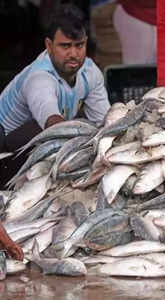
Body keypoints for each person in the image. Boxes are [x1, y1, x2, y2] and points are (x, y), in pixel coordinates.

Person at [0, 4, 110, 188]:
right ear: (49, 46)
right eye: (65, 46)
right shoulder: (40, 77)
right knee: (45, 132)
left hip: (38, 143)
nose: (73, 54)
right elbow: (52, 123)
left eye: (79, 45)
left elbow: (105, 121)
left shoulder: (90, 72)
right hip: (7, 146)